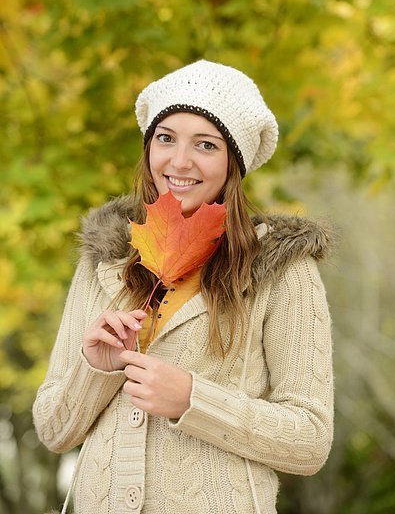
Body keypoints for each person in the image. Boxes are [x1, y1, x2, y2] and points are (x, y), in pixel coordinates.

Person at [33, 60, 334, 514]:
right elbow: (55, 431)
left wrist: (192, 400)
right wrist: (97, 370)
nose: (179, 161)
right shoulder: (109, 258)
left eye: (206, 145)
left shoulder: (280, 269)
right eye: (166, 138)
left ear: (234, 163)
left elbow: (310, 440)